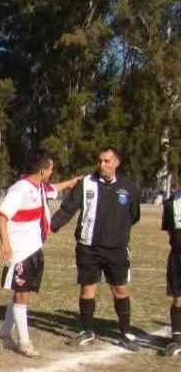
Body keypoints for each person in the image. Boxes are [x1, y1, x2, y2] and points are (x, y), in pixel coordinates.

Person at [50, 147, 141, 350]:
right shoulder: (86, 183)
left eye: (107, 161)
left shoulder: (129, 187)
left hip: (116, 250)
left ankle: (125, 333)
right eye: (100, 161)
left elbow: (134, 215)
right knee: (87, 288)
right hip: (88, 248)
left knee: (120, 289)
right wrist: (51, 225)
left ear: (117, 163)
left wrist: (117, 232)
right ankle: (87, 331)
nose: (102, 165)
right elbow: (68, 208)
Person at [0, 151, 79, 357]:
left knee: (20, 294)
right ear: (42, 170)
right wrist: (5, 243)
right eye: (51, 169)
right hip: (20, 253)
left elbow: (54, 189)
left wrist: (71, 183)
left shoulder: (40, 187)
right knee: (21, 296)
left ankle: (4, 336)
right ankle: (24, 342)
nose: (52, 172)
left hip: (33, 250)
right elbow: (0, 216)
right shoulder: (21, 189)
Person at [162, 173, 181, 357]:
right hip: (177, 256)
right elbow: (170, 231)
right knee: (178, 298)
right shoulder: (170, 203)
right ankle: (177, 341)